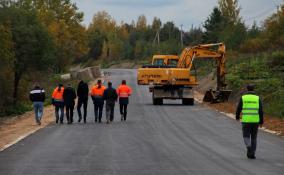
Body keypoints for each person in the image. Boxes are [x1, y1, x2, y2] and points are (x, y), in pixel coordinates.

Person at [236, 84, 264, 159]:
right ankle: (252, 153)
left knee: (246, 136)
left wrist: (237, 117)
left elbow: (239, 108)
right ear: (254, 89)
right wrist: (261, 121)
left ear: (247, 89)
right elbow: (261, 110)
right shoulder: (257, 98)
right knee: (254, 138)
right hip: (255, 121)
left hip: (246, 121)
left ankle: (248, 146)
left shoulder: (243, 98)